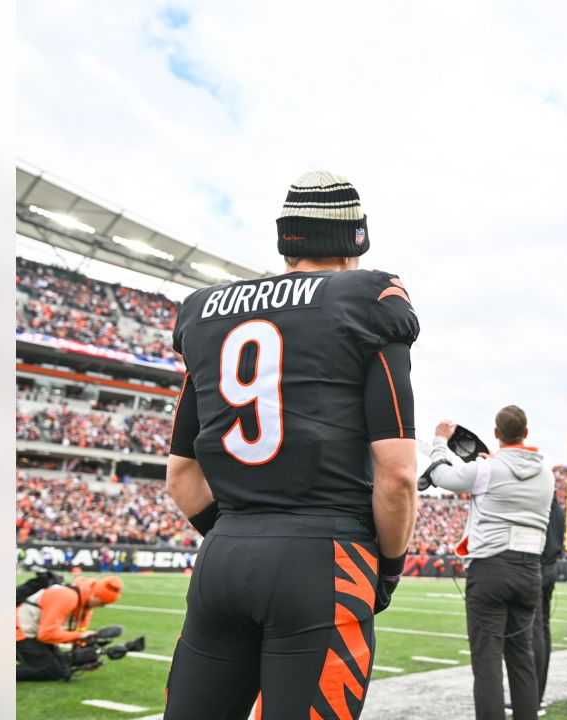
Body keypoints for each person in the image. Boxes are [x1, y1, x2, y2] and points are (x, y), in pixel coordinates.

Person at [163, 171, 420, 720]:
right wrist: (390, 567)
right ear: (354, 243)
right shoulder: (369, 297)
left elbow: (181, 480)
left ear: (286, 241)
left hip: (223, 558)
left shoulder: (202, 311)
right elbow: (397, 474)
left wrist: (242, 535)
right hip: (324, 556)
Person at [424, 407, 555, 720]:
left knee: (487, 663)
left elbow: (441, 476)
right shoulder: (547, 474)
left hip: (490, 568)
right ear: (526, 431)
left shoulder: (487, 468)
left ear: (496, 434)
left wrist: (440, 441)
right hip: (529, 570)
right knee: (522, 659)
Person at [16, 576, 123, 681]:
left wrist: (87, 653)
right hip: (18, 631)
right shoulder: (67, 596)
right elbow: (46, 635)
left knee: (61, 663)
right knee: (52, 670)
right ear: (95, 595)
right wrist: (81, 636)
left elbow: (76, 639)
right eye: (103, 602)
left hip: (30, 632)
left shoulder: (86, 606)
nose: (103, 606)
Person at [534, 493, 566, 714]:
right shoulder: (560, 511)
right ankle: (538, 695)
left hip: (537, 568)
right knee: (543, 630)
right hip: (551, 569)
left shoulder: (542, 505)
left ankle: (532, 697)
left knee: (534, 632)